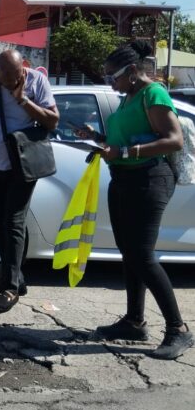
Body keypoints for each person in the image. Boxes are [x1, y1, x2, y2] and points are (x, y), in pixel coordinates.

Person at [77, 40, 192, 360]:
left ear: (131, 72)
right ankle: (134, 322)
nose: (108, 81)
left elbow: (173, 139)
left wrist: (125, 152)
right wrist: (96, 138)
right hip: (123, 180)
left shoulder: (153, 94)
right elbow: (120, 142)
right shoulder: (128, 99)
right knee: (129, 253)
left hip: (150, 180)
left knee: (142, 255)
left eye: (111, 75)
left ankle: (178, 329)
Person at [0, 50, 59, 313]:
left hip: (23, 164)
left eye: (16, 76)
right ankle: (13, 278)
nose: (11, 82)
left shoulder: (37, 82)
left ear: (23, 68)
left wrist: (23, 100)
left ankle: (11, 288)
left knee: (13, 222)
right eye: (5, 77)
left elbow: (52, 121)